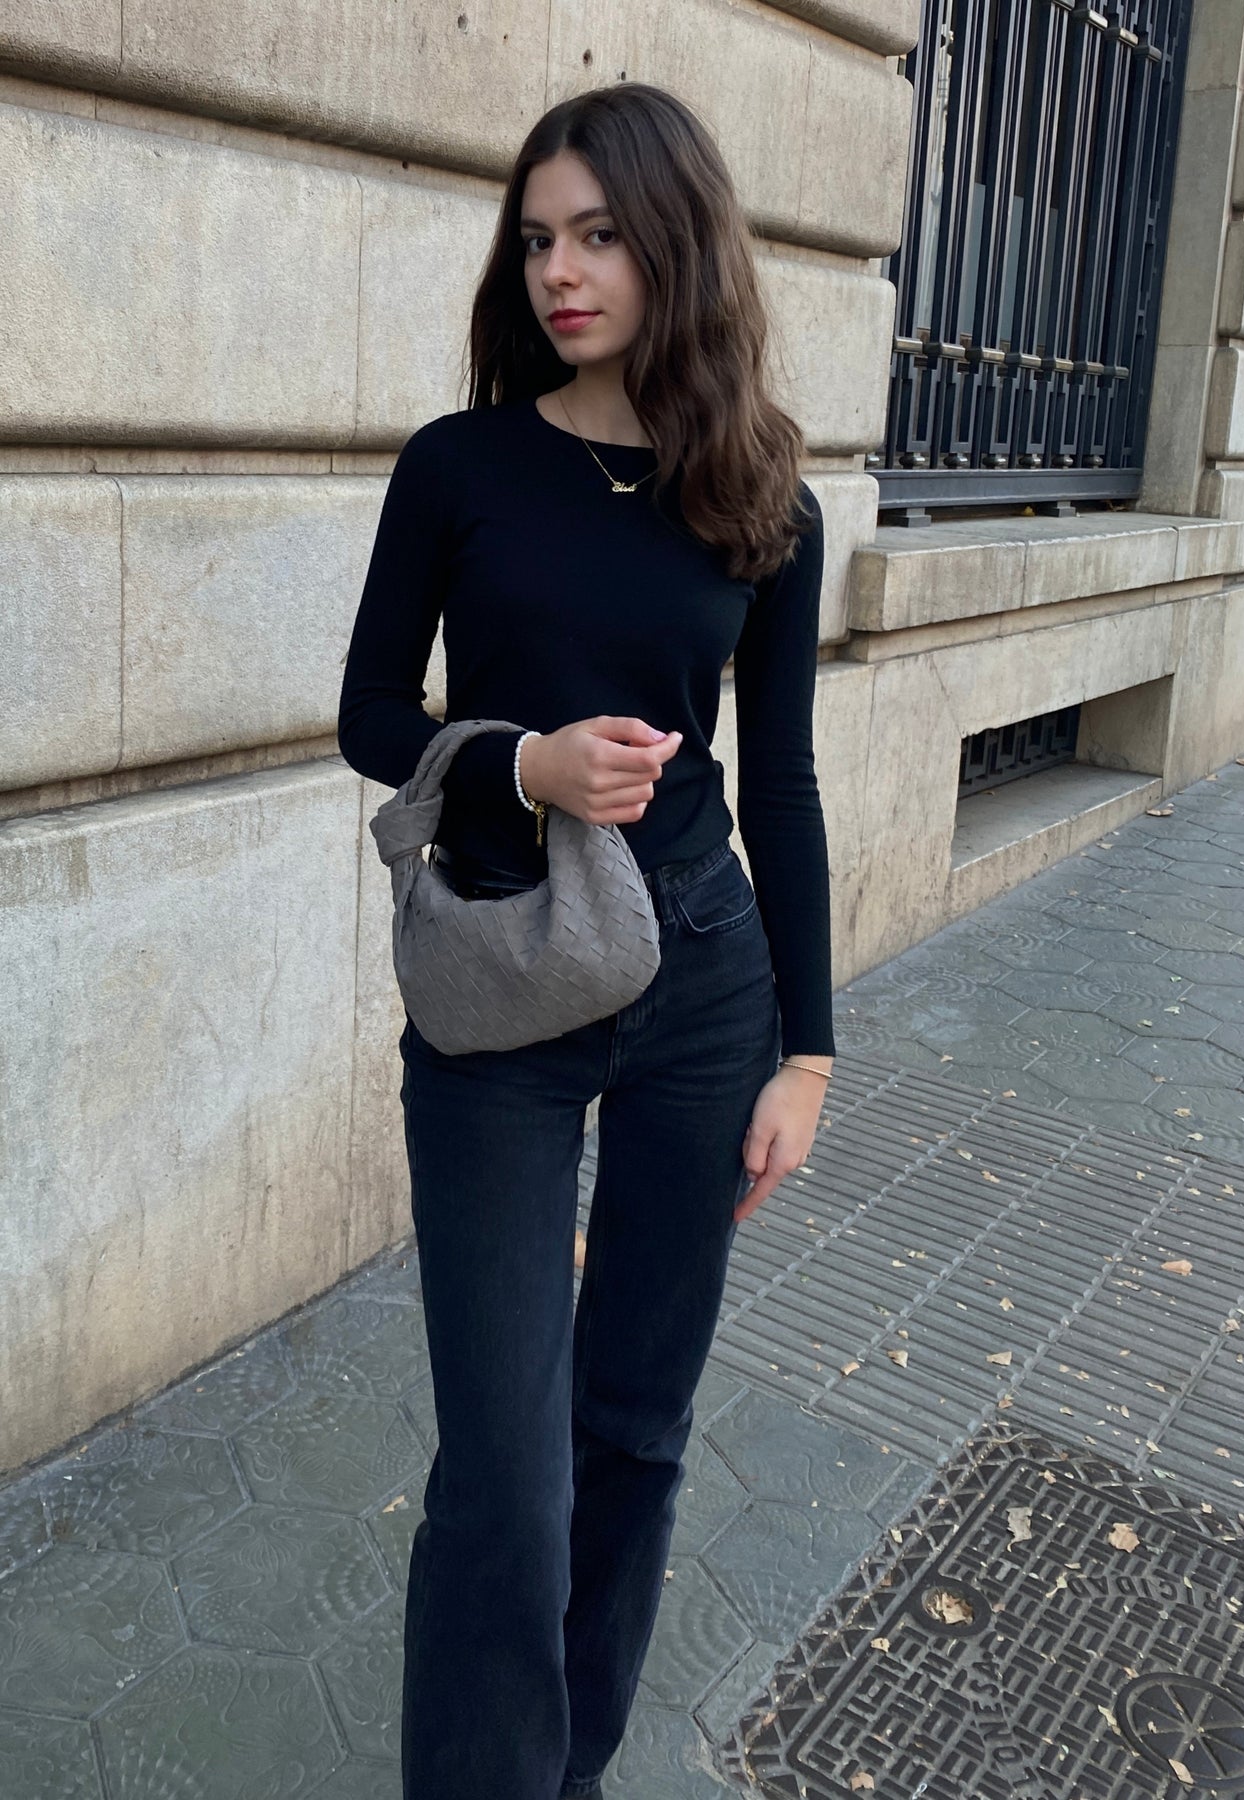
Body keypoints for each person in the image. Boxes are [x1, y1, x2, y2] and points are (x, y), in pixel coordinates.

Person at [337, 79, 835, 1800]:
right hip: (500, 976)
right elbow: (367, 715)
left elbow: (783, 781)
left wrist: (810, 1051)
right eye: (539, 238)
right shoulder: (460, 465)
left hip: (702, 977)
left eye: (600, 235)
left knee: (631, 1434)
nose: (559, 270)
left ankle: (570, 1773)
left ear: (675, 243)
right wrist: (520, 765)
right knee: (506, 1475)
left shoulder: (763, 495)